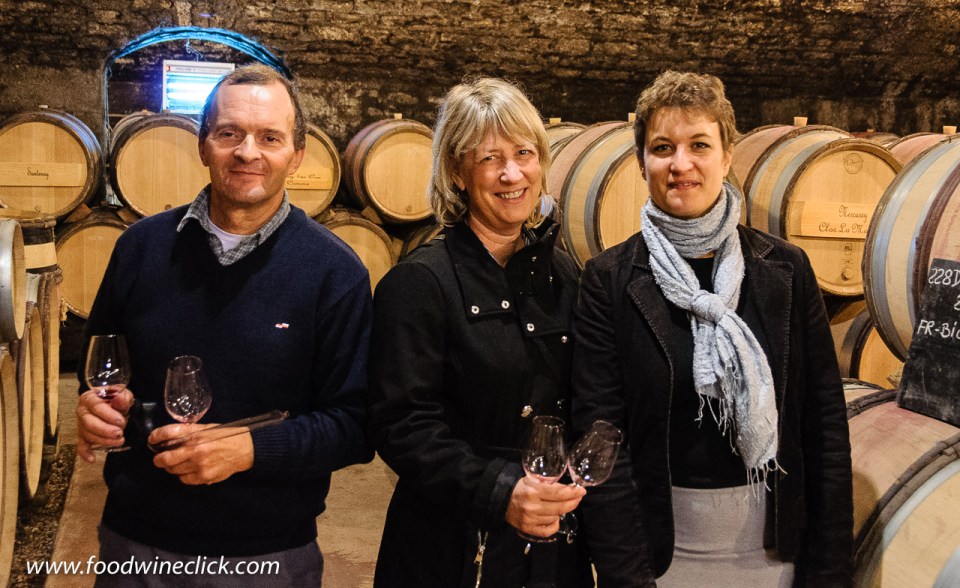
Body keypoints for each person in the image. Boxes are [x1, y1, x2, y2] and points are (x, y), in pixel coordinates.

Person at [74, 64, 373, 585]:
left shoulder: (335, 271)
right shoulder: (139, 249)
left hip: (267, 556)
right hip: (136, 544)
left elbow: (355, 425)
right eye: (229, 133)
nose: (248, 152)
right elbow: (101, 372)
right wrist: (100, 409)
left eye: (270, 137)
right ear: (203, 145)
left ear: (297, 155)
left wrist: (251, 450)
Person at [571, 70, 853, 587]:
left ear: (726, 157)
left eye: (699, 144)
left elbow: (825, 431)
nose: (681, 164)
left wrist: (829, 570)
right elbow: (600, 441)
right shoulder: (609, 281)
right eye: (662, 147)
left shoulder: (785, 271)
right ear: (641, 163)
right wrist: (627, 576)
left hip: (776, 555)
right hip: (660, 557)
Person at [367, 77, 594, 587]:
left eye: (524, 152)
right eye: (490, 158)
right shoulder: (420, 281)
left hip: (554, 543)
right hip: (452, 542)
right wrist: (499, 491)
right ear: (456, 171)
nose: (512, 173)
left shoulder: (563, 273)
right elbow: (400, 424)